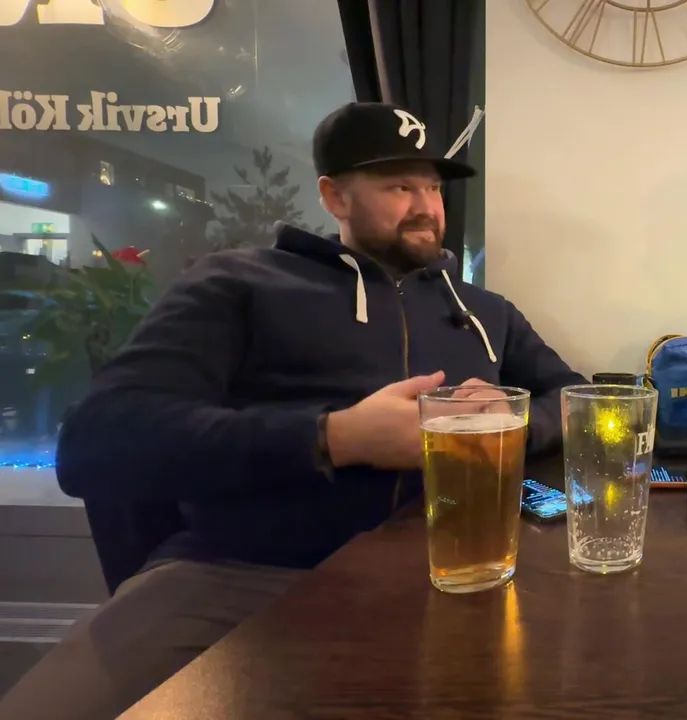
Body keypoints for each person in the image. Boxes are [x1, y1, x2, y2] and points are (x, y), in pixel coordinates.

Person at [0, 102, 586, 719]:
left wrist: (511, 420)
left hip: (451, 573)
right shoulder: (237, 284)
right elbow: (96, 444)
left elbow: (573, 399)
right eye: (399, 186)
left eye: (433, 187)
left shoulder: (484, 312)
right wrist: (333, 437)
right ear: (334, 197)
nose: (426, 207)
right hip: (242, 572)